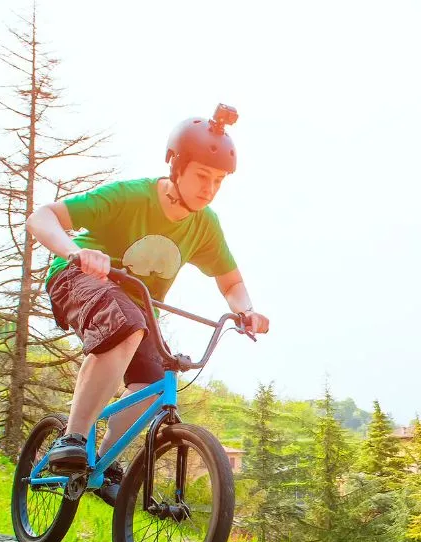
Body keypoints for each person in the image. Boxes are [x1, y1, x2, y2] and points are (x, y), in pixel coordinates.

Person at [26, 104, 269, 504]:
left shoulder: (205, 224)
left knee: (155, 386)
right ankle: (73, 436)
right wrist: (75, 253)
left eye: (219, 181)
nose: (209, 189)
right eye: (202, 176)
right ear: (175, 166)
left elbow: (231, 281)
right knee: (126, 324)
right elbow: (42, 218)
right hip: (76, 279)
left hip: (137, 311)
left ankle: (101, 464)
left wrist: (246, 310)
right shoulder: (129, 197)